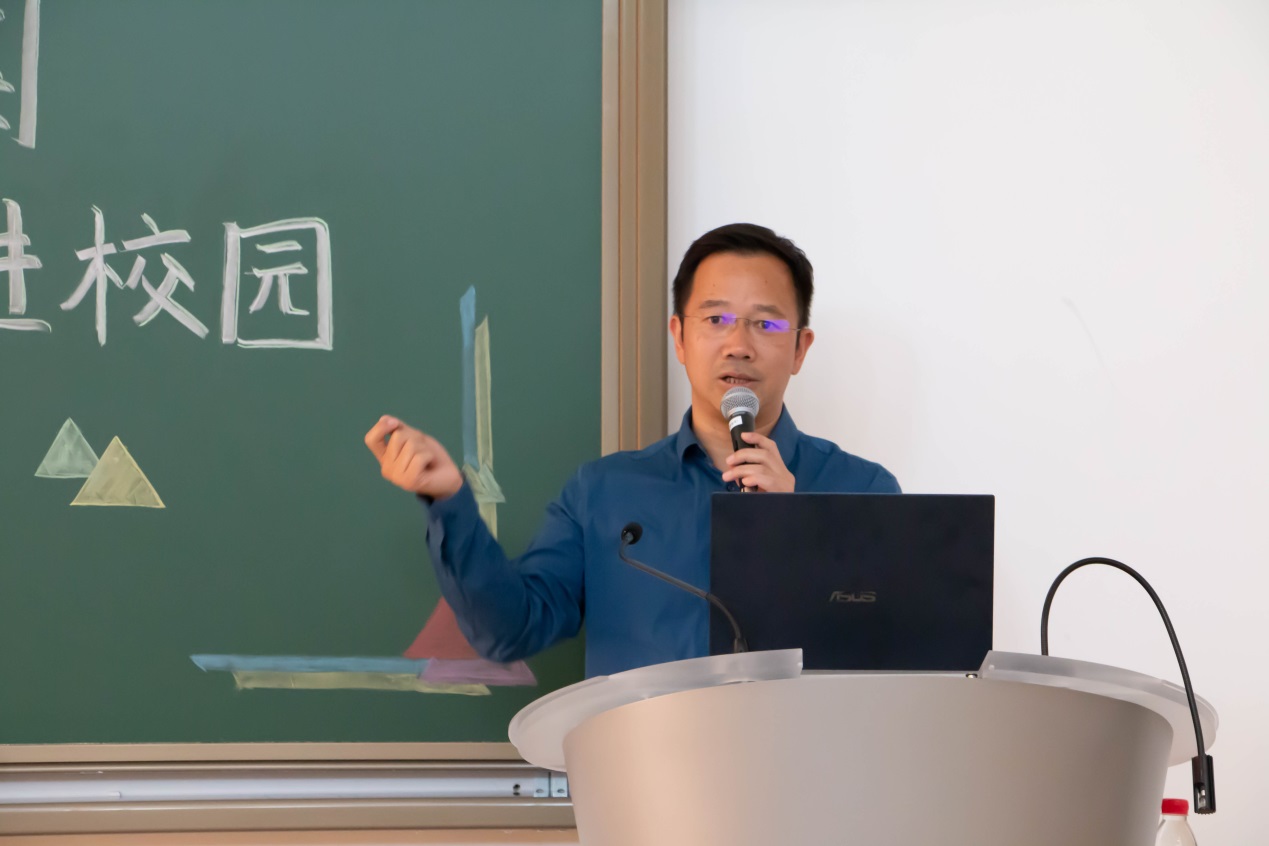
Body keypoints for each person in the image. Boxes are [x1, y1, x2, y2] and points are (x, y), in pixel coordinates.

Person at [364, 223, 900, 677]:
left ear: (800, 348)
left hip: (803, 769)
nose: (739, 344)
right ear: (679, 338)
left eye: (767, 324)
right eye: (716, 319)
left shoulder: (864, 491)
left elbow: (892, 656)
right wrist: (450, 500)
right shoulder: (603, 493)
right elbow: (510, 631)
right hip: (645, 768)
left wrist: (799, 532)